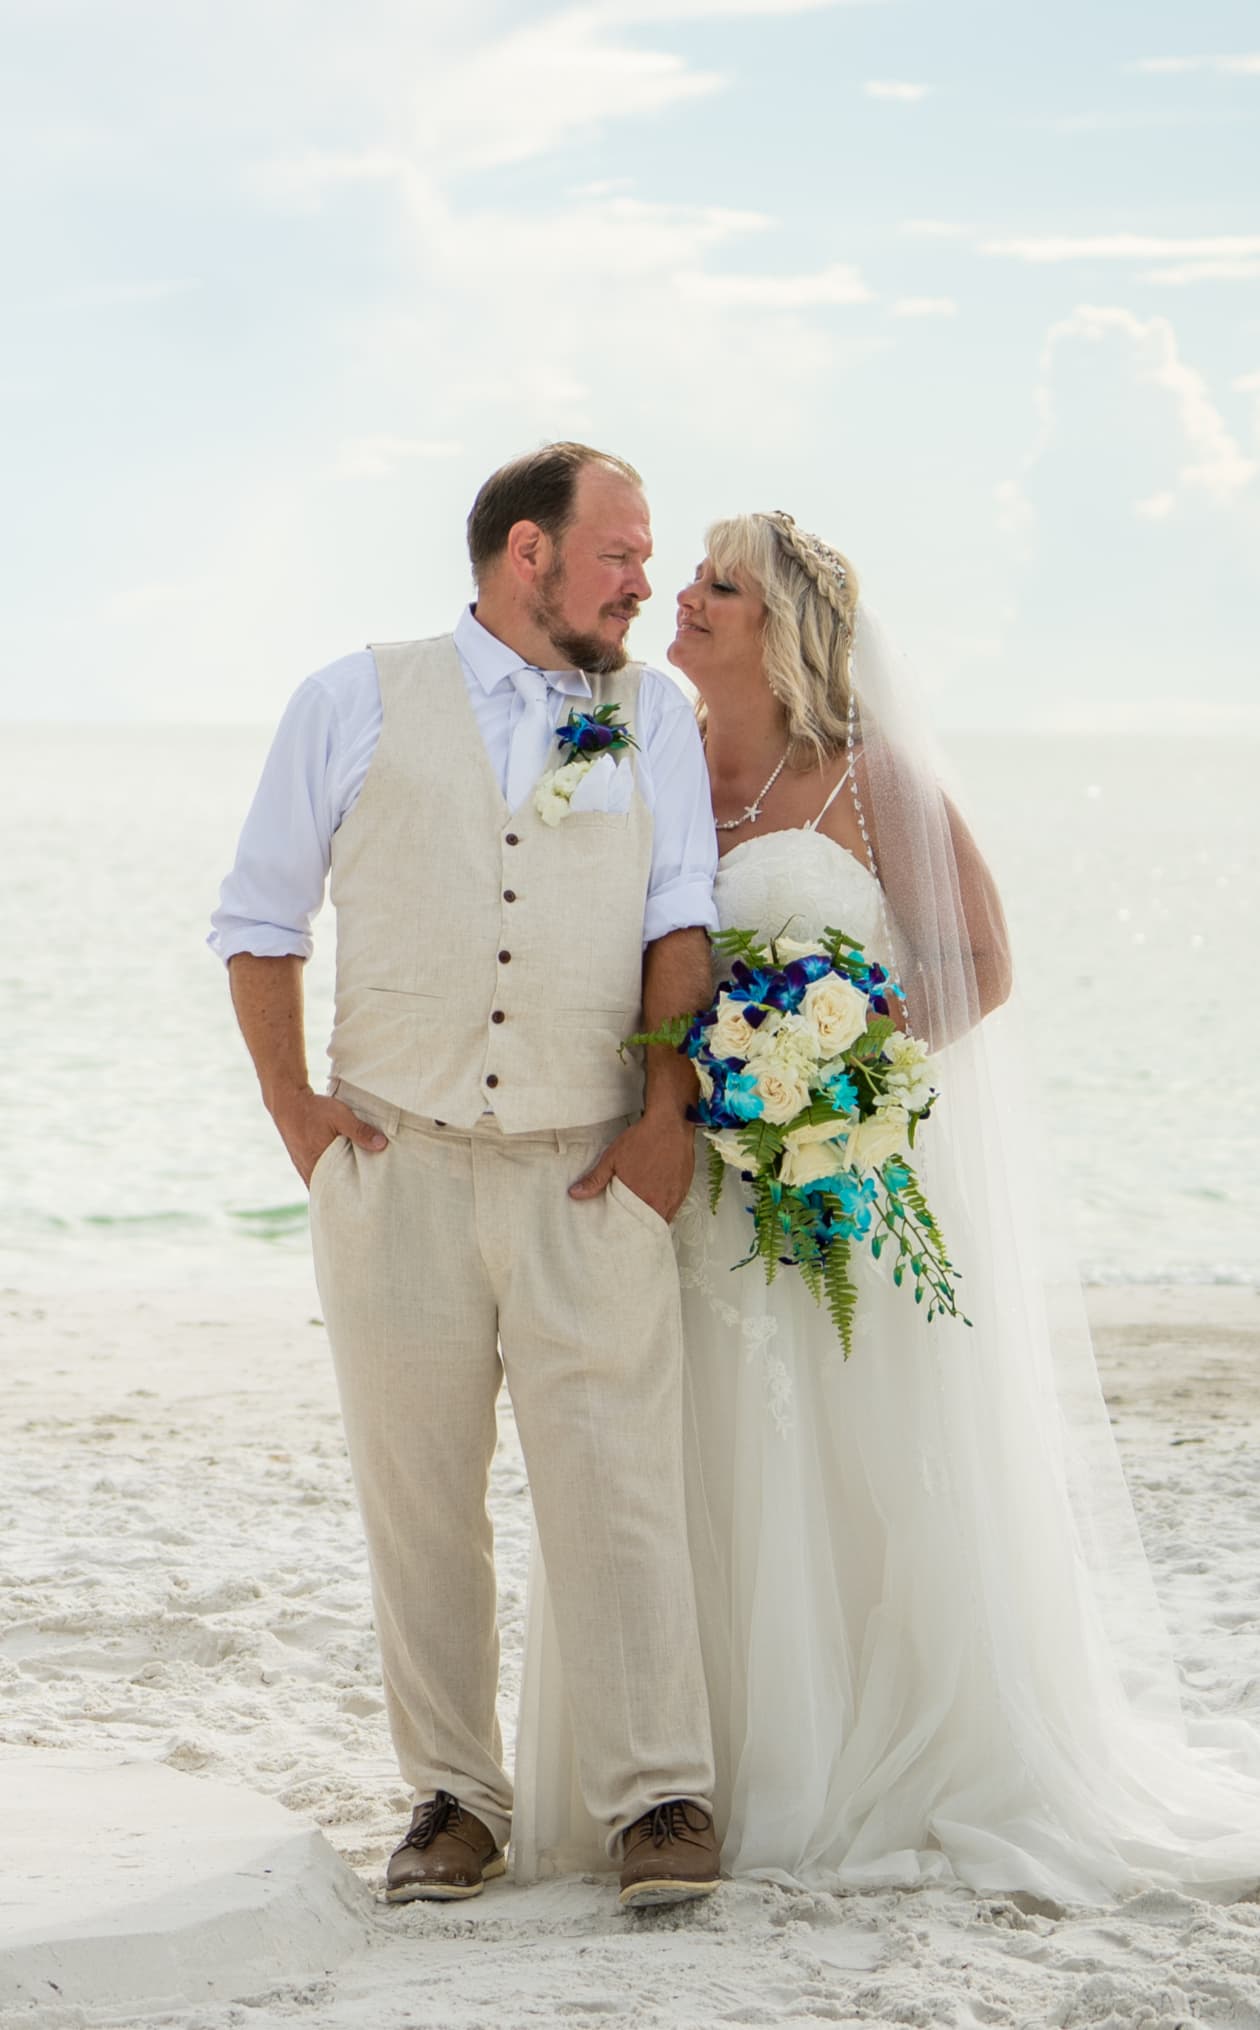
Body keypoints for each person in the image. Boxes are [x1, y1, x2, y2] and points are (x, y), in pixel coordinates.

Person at [513, 509, 1260, 1901]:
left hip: (826, 1188)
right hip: (689, 1183)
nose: (685, 595)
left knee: (845, 1472)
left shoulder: (866, 775)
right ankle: (670, 1781)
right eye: (689, 576)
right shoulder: (656, 758)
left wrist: (844, 1078)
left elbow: (981, 956)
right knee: (670, 1472)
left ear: (783, 626)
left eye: (718, 584)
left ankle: (853, 1766)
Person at [209, 442, 723, 1909]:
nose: (645, 582)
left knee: (618, 1482)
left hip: (587, 1165)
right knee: (419, 1498)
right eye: (622, 553)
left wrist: (661, 1117)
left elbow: (678, 916)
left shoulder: (654, 715)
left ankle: (656, 1796)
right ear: (526, 554)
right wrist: (298, 1115)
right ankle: (453, 1797)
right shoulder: (351, 698)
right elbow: (260, 918)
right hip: (397, 1164)